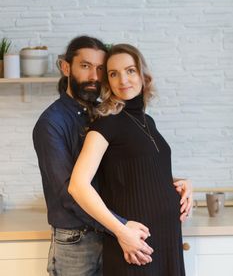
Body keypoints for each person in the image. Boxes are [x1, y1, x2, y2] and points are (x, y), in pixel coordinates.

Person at [33, 36, 155, 276]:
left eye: (100, 69)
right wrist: (120, 227)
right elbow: (69, 192)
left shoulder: (104, 114)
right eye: (85, 66)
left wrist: (176, 182)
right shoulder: (51, 123)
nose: (93, 77)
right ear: (66, 67)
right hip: (76, 242)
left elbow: (125, 167)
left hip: (112, 234)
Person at [69, 43, 192, 275]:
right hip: (137, 246)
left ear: (143, 74)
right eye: (113, 74)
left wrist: (182, 182)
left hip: (166, 239)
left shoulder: (148, 122)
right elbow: (78, 185)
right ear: (107, 82)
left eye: (130, 70)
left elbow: (141, 170)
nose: (123, 80)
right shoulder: (106, 124)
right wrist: (121, 231)